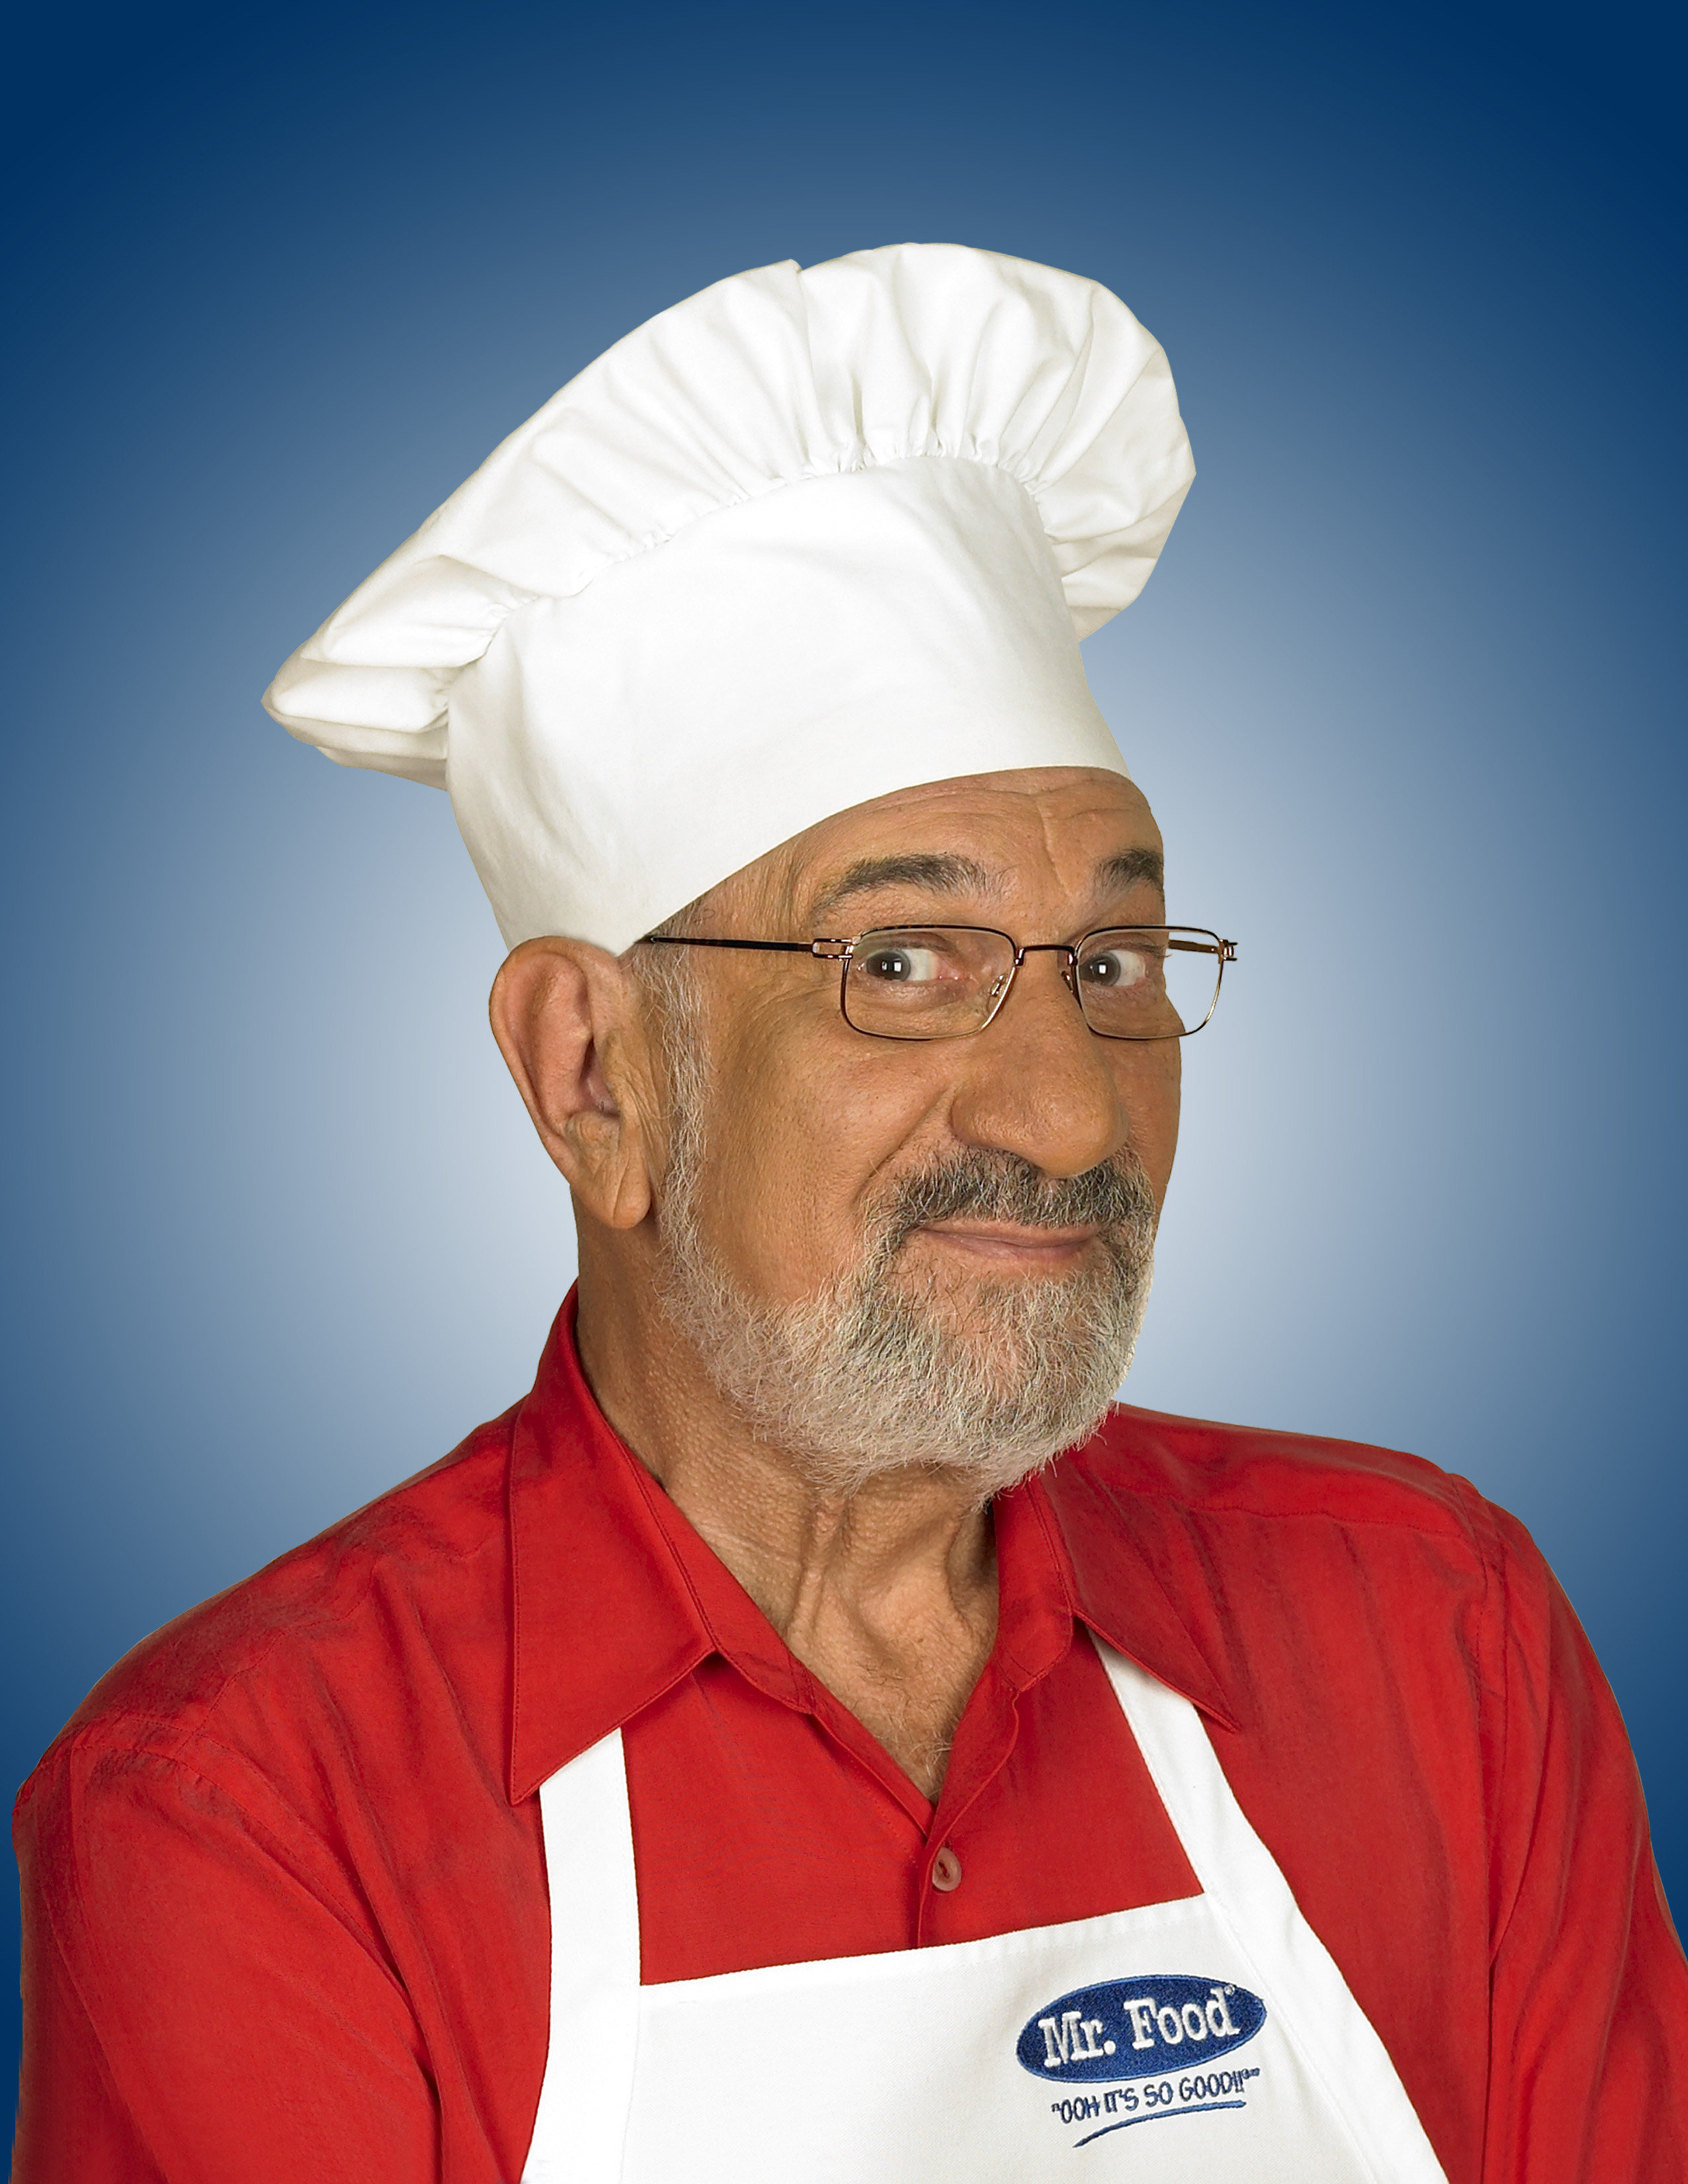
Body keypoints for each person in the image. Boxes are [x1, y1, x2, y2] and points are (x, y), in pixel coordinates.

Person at [11, 244, 1685, 2183]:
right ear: (593, 1075)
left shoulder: (1430, 1639)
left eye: (1113, 962)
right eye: (900, 963)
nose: (1070, 1110)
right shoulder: (258, 1806)